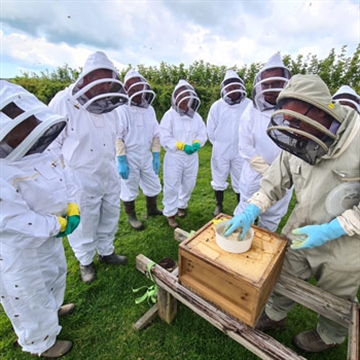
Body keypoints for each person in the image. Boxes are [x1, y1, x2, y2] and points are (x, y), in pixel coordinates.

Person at [224, 74, 360, 353]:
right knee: (284, 272)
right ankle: (275, 314)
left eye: (297, 121)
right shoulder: (300, 136)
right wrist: (252, 209)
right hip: (303, 223)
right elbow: (275, 181)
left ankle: (328, 335)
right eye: (289, 121)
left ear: (320, 110)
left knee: (337, 293)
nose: (293, 129)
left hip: (348, 239)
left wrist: (332, 230)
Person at [0, 80, 81, 357]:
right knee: (28, 292)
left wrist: (71, 205)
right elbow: (11, 219)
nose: (31, 127)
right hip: (21, 250)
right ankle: (40, 342)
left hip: (49, 238)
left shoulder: (40, 148)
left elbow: (64, 175)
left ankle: (53, 310)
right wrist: (55, 224)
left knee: (55, 273)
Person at [48, 51, 128, 284]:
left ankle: (106, 251)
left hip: (107, 169)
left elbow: (116, 135)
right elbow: (51, 145)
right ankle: (85, 261)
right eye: (99, 81)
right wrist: (59, 180)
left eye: (107, 81)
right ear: (86, 79)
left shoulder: (111, 104)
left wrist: (120, 158)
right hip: (79, 176)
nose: (103, 88)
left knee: (110, 213)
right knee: (85, 221)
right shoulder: (63, 102)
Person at [234, 52, 293, 232]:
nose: (270, 88)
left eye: (275, 83)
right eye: (266, 84)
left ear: (285, 83)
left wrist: (280, 174)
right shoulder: (250, 113)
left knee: (272, 218)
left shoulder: (295, 110)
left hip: (284, 178)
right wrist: (267, 170)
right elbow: (245, 146)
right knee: (245, 214)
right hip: (255, 175)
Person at [116, 69, 162, 230]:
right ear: (126, 89)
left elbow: (156, 133)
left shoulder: (149, 109)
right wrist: (121, 159)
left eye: (139, 87)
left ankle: (152, 209)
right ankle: (132, 216)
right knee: (129, 185)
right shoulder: (121, 109)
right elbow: (117, 136)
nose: (136, 91)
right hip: (129, 156)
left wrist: (156, 154)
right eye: (132, 88)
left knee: (153, 183)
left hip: (146, 155)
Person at [159, 79, 207, 229]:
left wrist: (198, 143)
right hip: (175, 157)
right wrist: (180, 145)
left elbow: (202, 133)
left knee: (189, 183)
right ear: (175, 98)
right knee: (172, 185)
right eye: (181, 96)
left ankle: (182, 205)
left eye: (187, 96)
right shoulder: (169, 116)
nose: (184, 99)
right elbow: (164, 136)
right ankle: (170, 214)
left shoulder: (196, 117)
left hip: (192, 157)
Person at [207, 70, 252, 216]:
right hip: (221, 148)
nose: (232, 90)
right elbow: (211, 128)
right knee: (219, 176)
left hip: (242, 149)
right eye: (229, 88)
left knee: (241, 178)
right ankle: (219, 204)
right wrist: (220, 143)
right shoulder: (217, 106)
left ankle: (241, 205)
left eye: (235, 87)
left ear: (241, 87)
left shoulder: (250, 104)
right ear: (224, 89)